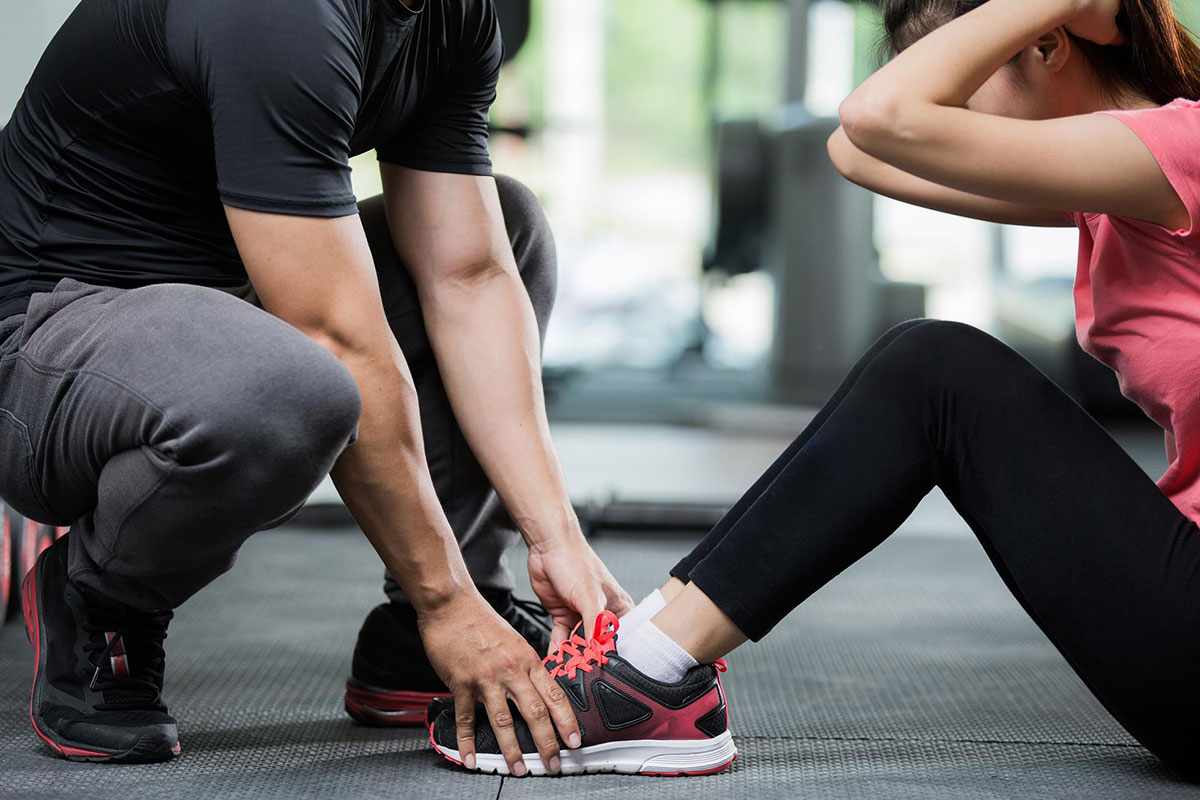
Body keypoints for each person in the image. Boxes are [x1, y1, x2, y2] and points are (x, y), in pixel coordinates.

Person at [431, 0, 1200, 779]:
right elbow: (857, 147)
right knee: (928, 364)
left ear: (1044, 43)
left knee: (936, 371)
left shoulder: (1183, 147)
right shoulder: (1117, 188)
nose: (955, 120)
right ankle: (640, 655)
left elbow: (880, 119)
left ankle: (649, 674)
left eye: (964, 92)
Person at [2, 0, 632, 768]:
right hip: (41, 334)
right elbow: (333, 336)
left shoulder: (452, 15)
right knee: (288, 385)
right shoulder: (279, 12)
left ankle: (435, 633)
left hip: (227, 308)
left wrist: (556, 538)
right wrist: (445, 602)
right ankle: (99, 600)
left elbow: (466, 277)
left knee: (509, 225)